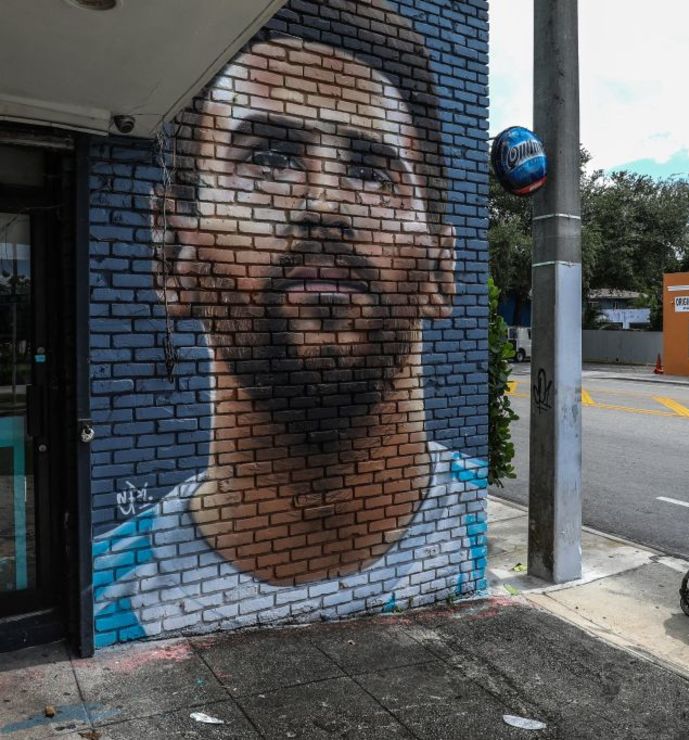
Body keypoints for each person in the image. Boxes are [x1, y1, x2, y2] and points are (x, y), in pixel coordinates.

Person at [92, 0, 483, 641]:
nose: (323, 206)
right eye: (269, 157)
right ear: (171, 251)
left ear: (442, 267)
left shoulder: (478, 532)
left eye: (370, 169)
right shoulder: (106, 602)